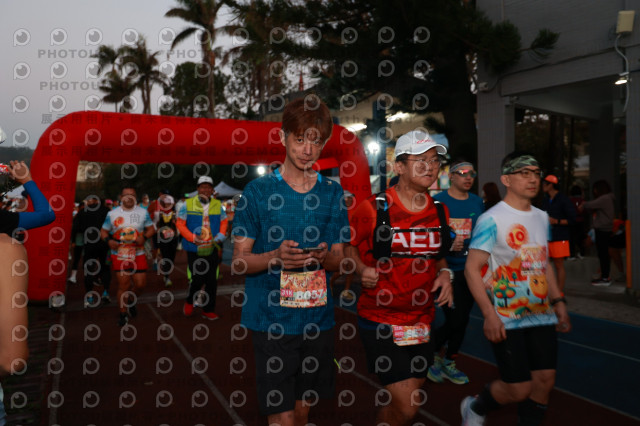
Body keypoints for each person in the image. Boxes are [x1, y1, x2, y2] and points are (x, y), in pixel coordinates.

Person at [231, 96, 349, 425]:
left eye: (316, 141)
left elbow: (339, 260)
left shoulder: (333, 193)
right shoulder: (256, 192)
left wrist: (326, 258)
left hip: (317, 321)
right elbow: (238, 263)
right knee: (282, 419)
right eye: (299, 139)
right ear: (282, 137)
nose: (307, 150)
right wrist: (275, 257)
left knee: (301, 413)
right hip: (271, 322)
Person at [347, 129, 454, 425]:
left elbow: (437, 255)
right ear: (399, 167)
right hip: (381, 320)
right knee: (408, 405)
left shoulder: (440, 211)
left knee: (407, 404)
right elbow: (346, 247)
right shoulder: (373, 208)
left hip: (422, 321)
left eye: (434, 161)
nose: (430, 167)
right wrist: (361, 269)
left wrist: (445, 273)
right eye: (420, 161)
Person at [463, 151, 571, 426]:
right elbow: (471, 269)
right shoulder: (491, 219)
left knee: (545, 381)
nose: (533, 179)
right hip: (506, 317)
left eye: (535, 173)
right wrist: (488, 314)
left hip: (541, 314)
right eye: (524, 173)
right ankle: (476, 406)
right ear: (506, 179)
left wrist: (558, 301)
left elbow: (544, 263)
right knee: (519, 388)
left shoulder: (542, 217)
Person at [429, 160, 484, 385]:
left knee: (462, 320)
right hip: (444, 271)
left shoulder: (477, 202)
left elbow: (482, 234)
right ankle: (430, 355)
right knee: (455, 320)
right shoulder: (438, 201)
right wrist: (448, 244)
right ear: (451, 176)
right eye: (463, 173)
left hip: (470, 270)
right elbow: (429, 235)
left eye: (472, 173)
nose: (468, 177)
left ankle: (449, 361)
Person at [101, 186, 155, 327]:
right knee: (124, 285)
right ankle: (123, 314)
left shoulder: (143, 212)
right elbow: (103, 231)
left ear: (135, 197)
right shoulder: (112, 214)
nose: (129, 197)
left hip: (138, 253)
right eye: (126, 195)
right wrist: (109, 241)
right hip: (120, 254)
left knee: (140, 284)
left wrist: (145, 237)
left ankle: (130, 300)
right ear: (121, 197)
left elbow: (151, 229)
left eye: (132, 195)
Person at [176, 176, 227, 320]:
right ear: (198, 189)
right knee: (197, 279)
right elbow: (180, 223)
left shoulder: (217, 204)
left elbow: (224, 221)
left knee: (212, 280)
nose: (205, 190)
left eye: (208, 187)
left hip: (212, 246)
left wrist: (221, 236)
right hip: (194, 247)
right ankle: (189, 301)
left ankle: (208, 310)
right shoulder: (187, 204)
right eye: (203, 187)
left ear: (212, 190)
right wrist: (192, 237)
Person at [541, 175, 576, 294]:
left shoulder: (563, 199)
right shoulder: (546, 200)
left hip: (560, 236)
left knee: (559, 265)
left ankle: (559, 292)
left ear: (551, 185)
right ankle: (549, 291)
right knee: (546, 265)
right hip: (547, 237)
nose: (542, 186)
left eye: (544, 184)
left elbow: (572, 219)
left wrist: (556, 221)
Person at [74, 196, 112, 306]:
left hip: (89, 245)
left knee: (89, 270)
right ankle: (106, 292)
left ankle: (89, 296)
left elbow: (76, 227)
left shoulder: (83, 211)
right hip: (105, 244)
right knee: (105, 268)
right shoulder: (107, 211)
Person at [579, 180, 615, 286]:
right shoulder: (608, 198)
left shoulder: (605, 198)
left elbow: (590, 205)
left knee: (603, 254)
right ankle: (604, 276)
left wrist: (583, 204)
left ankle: (605, 277)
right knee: (603, 254)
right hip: (605, 229)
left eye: (595, 189)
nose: (594, 191)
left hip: (603, 230)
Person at [328, 189, 356, 301]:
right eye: (348, 198)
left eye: (351, 197)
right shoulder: (338, 213)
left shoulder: (350, 211)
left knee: (351, 267)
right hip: (339, 245)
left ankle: (346, 291)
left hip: (349, 244)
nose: (351, 200)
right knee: (344, 267)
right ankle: (329, 283)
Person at [152, 191, 179, 287]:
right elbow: (156, 225)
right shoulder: (159, 213)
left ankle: (167, 273)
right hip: (163, 239)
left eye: (169, 203)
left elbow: (179, 225)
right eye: (166, 203)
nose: (168, 205)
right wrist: (159, 230)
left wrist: (175, 227)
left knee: (171, 258)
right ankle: (167, 277)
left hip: (173, 239)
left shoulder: (175, 213)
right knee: (165, 256)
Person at [68, 202, 85, 283]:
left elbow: (74, 229)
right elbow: (74, 229)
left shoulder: (78, 215)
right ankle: (74, 276)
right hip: (82, 240)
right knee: (79, 258)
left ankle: (74, 276)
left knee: (79, 259)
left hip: (82, 240)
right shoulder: (78, 216)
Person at [568, 185, 586, 260]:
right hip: (581, 221)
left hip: (572, 221)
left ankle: (572, 254)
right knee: (580, 238)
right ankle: (581, 253)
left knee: (572, 238)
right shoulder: (582, 201)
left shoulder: (570, 200)